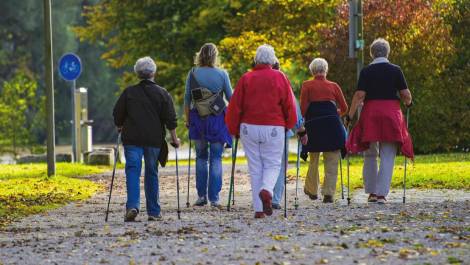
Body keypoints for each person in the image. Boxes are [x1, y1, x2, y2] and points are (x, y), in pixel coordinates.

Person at [225, 44, 297, 218]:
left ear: (256, 59)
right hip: (273, 126)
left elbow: (235, 106)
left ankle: (259, 209)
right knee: (272, 163)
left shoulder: (246, 78)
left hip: (249, 127)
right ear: (272, 60)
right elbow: (289, 104)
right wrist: (290, 123)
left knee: (255, 166)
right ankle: (267, 190)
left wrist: (233, 128)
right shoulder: (280, 77)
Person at [346, 38, 413, 204]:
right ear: (388, 52)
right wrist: (409, 103)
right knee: (388, 154)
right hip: (391, 113)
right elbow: (405, 94)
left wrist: (350, 115)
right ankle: (382, 194)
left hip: (371, 113)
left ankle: (372, 192)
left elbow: (359, 95)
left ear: (371, 53)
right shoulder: (396, 70)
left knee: (370, 152)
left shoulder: (366, 71)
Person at [113, 56, 180, 222]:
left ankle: (133, 206)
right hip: (153, 140)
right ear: (153, 73)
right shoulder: (163, 93)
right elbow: (171, 119)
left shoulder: (129, 93)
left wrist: (120, 125)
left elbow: (117, 113)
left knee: (133, 171)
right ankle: (154, 211)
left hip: (132, 139)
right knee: (151, 173)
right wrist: (175, 139)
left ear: (137, 74)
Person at [184, 43, 233, 208]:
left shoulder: (192, 74)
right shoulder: (222, 74)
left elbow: (187, 100)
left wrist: (187, 120)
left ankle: (201, 196)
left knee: (201, 157)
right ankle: (215, 198)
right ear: (215, 56)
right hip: (217, 119)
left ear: (200, 55)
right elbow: (231, 98)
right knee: (216, 158)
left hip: (198, 118)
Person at [300, 58, 348, 203]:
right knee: (332, 159)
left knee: (313, 158)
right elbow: (345, 108)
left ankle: (312, 190)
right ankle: (328, 193)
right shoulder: (334, 86)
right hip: (332, 125)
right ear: (325, 70)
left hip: (313, 125)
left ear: (312, 71)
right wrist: (334, 115)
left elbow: (302, 110)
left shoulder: (306, 85)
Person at [271, 61, 306, 210]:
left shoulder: (252, 79)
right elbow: (292, 106)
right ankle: (275, 198)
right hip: (280, 128)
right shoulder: (283, 81)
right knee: (280, 164)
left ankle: (263, 195)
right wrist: (301, 129)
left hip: (257, 128)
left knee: (263, 164)